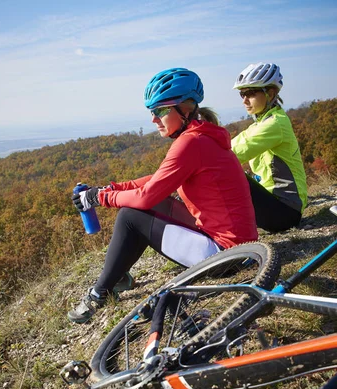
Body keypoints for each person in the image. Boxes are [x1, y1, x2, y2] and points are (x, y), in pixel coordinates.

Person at [68, 67, 258, 324]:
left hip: (225, 256)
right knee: (148, 204)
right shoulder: (201, 136)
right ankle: (117, 275)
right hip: (240, 247)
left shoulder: (190, 143)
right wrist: (107, 189)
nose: (154, 119)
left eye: (160, 111)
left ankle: (99, 293)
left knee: (130, 216)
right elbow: (156, 182)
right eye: (152, 112)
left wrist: (99, 199)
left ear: (184, 110)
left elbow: (145, 197)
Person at [231, 62, 307, 232]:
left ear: (270, 93)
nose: (244, 100)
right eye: (242, 94)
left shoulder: (275, 124)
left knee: (227, 172)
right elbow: (230, 145)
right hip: (278, 206)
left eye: (250, 93)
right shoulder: (262, 123)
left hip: (285, 212)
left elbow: (232, 154)